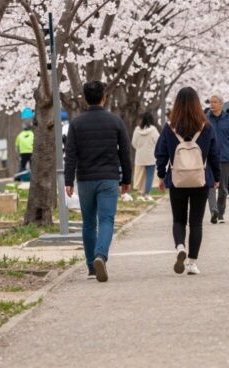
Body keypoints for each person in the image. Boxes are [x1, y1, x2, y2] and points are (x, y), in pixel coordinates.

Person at [64, 80, 132, 281]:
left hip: (85, 178)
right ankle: (100, 255)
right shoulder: (115, 121)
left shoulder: (76, 123)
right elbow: (125, 153)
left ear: (85, 99)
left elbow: (70, 154)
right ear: (104, 98)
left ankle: (91, 268)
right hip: (109, 178)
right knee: (106, 219)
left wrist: (68, 181)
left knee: (88, 222)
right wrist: (126, 179)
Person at [155, 87, 220, 276]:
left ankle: (180, 247)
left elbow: (160, 153)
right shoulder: (206, 127)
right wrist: (216, 178)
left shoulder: (170, 128)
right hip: (200, 180)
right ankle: (192, 263)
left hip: (177, 180)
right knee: (196, 223)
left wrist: (161, 175)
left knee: (178, 219)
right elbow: (215, 154)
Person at [207, 93, 229, 223]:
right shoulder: (205, 118)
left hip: (224, 158)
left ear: (221, 104)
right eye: (211, 102)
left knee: (223, 188)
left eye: (215, 102)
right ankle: (213, 211)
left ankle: (220, 213)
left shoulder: (228, 119)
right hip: (209, 158)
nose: (212, 104)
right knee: (210, 186)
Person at [132, 111, 160, 201]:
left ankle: (140, 193)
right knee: (149, 176)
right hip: (151, 157)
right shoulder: (153, 130)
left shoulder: (137, 129)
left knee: (140, 176)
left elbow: (133, 143)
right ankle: (147, 194)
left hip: (140, 157)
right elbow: (158, 142)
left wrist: (139, 149)